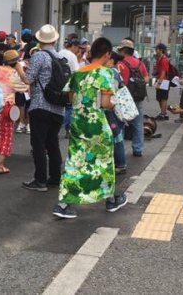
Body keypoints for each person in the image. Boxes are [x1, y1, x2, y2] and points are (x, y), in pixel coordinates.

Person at [52, 37, 128, 219]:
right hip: (97, 126)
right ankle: (110, 201)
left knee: (75, 162)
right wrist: (115, 103)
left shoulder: (77, 73)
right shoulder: (105, 74)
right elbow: (105, 103)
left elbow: (70, 99)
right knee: (103, 162)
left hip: (78, 124)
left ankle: (63, 204)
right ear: (107, 54)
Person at [20, 24, 65, 192]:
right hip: (58, 108)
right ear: (54, 39)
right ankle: (55, 178)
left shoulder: (39, 56)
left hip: (41, 105)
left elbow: (28, 80)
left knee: (38, 143)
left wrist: (20, 68)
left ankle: (40, 180)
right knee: (53, 143)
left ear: (39, 40)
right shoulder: (61, 58)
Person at [116, 39, 149, 157]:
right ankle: (138, 149)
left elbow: (117, 80)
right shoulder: (140, 63)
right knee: (138, 124)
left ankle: (120, 150)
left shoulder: (119, 63)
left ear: (124, 50)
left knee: (121, 123)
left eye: (120, 50)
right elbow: (146, 79)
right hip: (138, 97)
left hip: (123, 97)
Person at [105, 52, 126, 175]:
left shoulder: (111, 73)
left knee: (116, 136)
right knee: (117, 135)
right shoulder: (116, 72)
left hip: (112, 109)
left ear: (111, 60)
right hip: (116, 109)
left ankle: (121, 163)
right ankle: (119, 162)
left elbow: (111, 92)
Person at [61, 34, 81, 133]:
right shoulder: (72, 56)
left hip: (58, 83)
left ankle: (62, 127)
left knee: (61, 106)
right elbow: (77, 72)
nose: (78, 50)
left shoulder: (58, 53)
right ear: (73, 46)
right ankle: (67, 127)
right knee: (69, 107)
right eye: (77, 48)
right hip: (68, 84)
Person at [153, 43, 171, 120]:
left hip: (164, 81)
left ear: (161, 50)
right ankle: (163, 113)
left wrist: (159, 83)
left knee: (163, 98)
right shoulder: (160, 59)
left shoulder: (164, 60)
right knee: (159, 98)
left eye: (156, 49)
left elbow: (163, 72)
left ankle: (163, 114)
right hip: (161, 80)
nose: (155, 50)